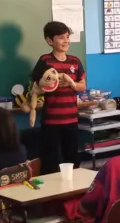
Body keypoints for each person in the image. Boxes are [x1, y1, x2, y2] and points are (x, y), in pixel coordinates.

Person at [34, 21, 86, 174]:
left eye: (67, 37)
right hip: (51, 120)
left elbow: (82, 85)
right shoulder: (45, 60)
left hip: (71, 119)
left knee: (72, 158)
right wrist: (53, 85)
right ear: (50, 41)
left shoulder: (75, 61)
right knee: (50, 160)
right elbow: (37, 85)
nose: (66, 41)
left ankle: (74, 191)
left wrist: (72, 84)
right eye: (61, 38)